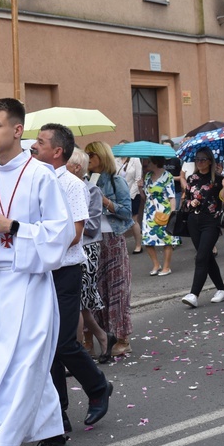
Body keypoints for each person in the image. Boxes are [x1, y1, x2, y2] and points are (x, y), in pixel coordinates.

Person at [0, 98, 76, 446]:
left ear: (17, 130)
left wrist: (10, 226)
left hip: (29, 280)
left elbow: (60, 233)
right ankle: (56, 442)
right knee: (21, 363)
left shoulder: (41, 174)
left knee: (21, 364)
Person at [31, 124, 113, 434]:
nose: (33, 146)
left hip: (65, 270)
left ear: (58, 152)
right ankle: (59, 413)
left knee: (64, 342)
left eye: (40, 142)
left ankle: (98, 387)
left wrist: (33, 243)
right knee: (46, 346)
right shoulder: (35, 180)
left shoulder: (71, 185)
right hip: (40, 271)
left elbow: (76, 234)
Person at [85, 141, 134, 357]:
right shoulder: (83, 181)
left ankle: (122, 338)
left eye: (91, 155)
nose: (88, 159)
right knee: (93, 290)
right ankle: (93, 338)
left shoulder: (116, 182)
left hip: (113, 239)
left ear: (101, 157)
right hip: (91, 240)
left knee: (117, 290)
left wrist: (104, 201)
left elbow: (126, 212)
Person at [67, 148, 115, 363]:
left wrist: (70, 221)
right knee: (82, 304)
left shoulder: (91, 190)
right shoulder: (63, 188)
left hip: (87, 249)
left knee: (77, 303)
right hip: (70, 248)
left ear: (77, 167)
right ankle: (104, 338)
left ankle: (76, 358)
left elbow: (93, 226)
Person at [180, 147, 224, 308]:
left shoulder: (219, 179)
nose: (199, 162)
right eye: (197, 159)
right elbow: (185, 201)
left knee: (201, 257)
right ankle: (222, 289)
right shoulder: (191, 178)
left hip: (211, 222)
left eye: (202, 159)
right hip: (194, 221)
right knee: (206, 256)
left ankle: (194, 294)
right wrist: (190, 203)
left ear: (209, 161)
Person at [139, 156, 178, 276]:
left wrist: (172, 213)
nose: (146, 163)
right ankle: (156, 265)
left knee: (167, 240)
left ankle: (166, 267)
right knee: (147, 240)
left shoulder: (167, 176)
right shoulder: (148, 176)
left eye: (148, 161)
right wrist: (140, 188)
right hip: (150, 212)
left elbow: (172, 197)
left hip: (164, 211)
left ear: (156, 162)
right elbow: (145, 197)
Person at [116, 143, 144, 253]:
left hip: (133, 194)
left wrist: (129, 194)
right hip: (119, 194)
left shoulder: (135, 159)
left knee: (133, 220)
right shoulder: (116, 159)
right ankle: (120, 246)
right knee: (119, 220)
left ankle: (138, 245)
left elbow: (138, 179)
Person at [162, 138, 184, 210]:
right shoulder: (160, 161)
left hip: (175, 191)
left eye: (168, 147)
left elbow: (182, 177)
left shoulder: (177, 160)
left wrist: (171, 178)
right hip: (163, 191)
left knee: (174, 212)